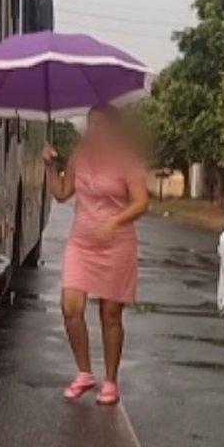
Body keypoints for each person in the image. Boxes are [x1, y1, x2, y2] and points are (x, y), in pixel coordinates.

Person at [43, 104, 150, 407]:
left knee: (110, 315)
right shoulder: (80, 156)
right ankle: (84, 373)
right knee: (70, 307)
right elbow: (62, 192)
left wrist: (115, 220)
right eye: (91, 124)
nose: (94, 130)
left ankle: (111, 380)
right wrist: (51, 167)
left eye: (101, 124)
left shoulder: (127, 160)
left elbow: (142, 203)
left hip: (117, 245)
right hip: (82, 243)